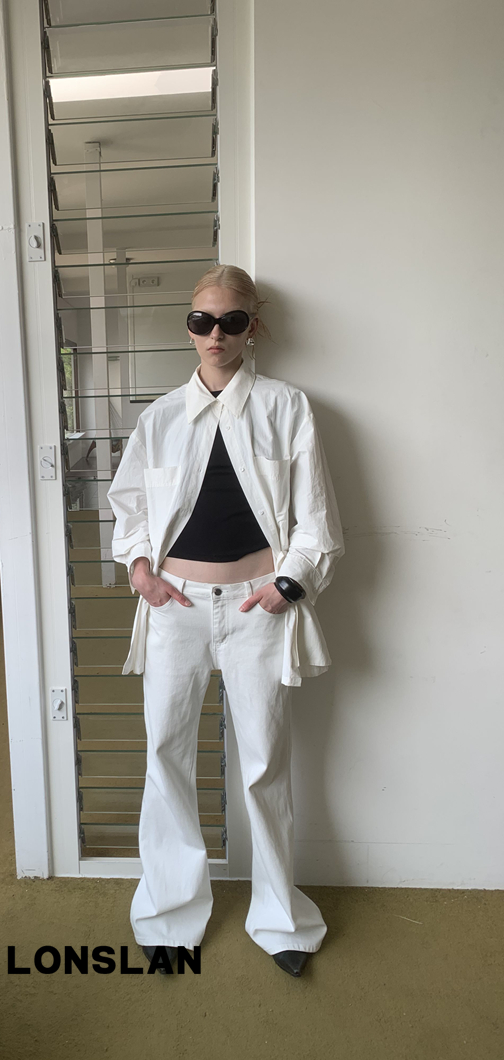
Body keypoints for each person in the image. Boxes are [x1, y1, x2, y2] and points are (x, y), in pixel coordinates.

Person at [106, 265, 344, 978]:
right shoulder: (159, 418)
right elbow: (128, 506)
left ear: (253, 327)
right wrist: (139, 570)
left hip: (255, 607)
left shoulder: (286, 407)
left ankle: (280, 917)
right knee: (166, 753)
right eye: (202, 321)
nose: (215, 334)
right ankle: (170, 913)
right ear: (189, 327)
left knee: (264, 760)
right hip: (174, 607)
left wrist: (287, 585)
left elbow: (317, 518)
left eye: (231, 321)